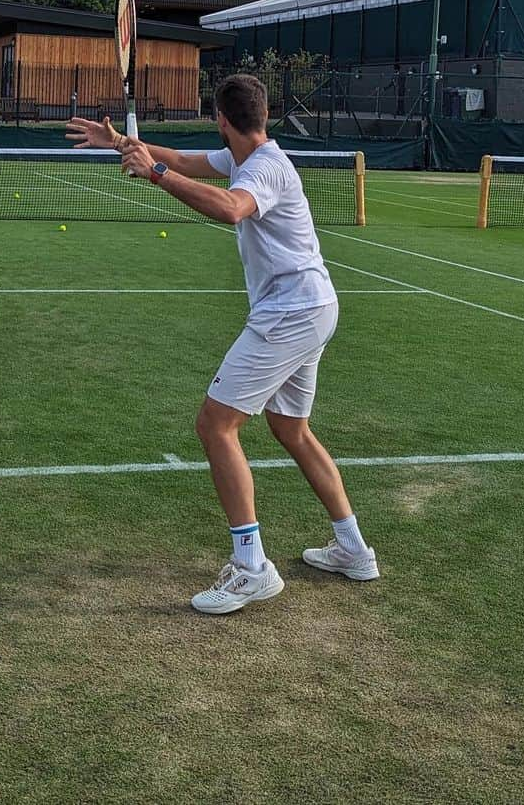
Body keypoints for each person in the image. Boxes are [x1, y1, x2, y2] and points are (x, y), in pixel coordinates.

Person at [66, 74, 378, 615]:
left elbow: (232, 207)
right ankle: (353, 548)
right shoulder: (247, 154)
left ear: (222, 118)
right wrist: (121, 143)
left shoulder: (264, 169)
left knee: (216, 424)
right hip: (314, 305)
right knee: (291, 428)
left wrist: (155, 172)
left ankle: (252, 568)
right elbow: (189, 163)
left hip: (291, 311)